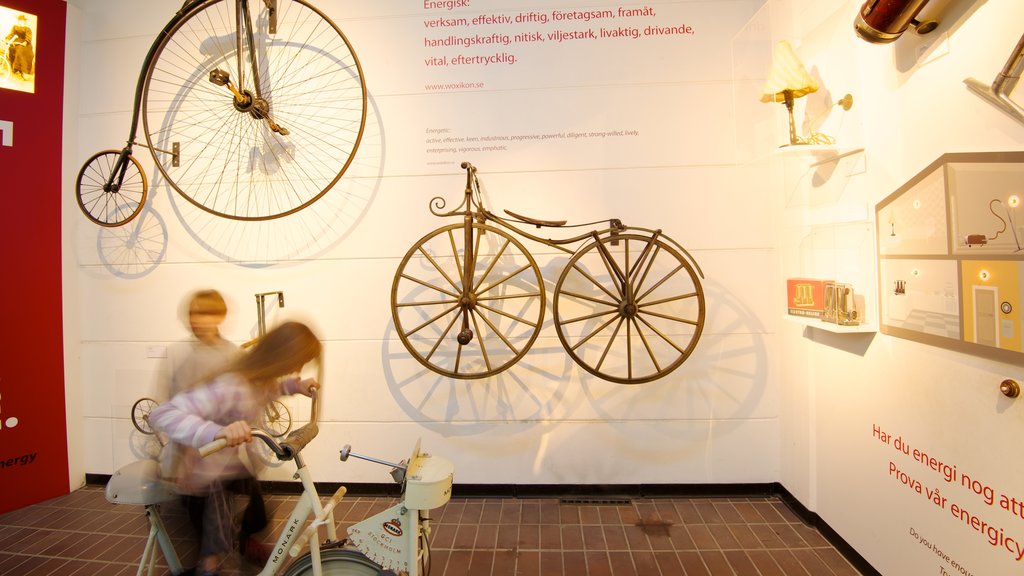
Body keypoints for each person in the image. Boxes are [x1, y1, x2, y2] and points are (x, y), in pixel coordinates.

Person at [150, 321, 321, 576]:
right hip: (203, 474)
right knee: (212, 547)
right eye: (299, 361)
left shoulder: (257, 381)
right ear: (281, 355)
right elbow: (162, 414)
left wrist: (294, 386)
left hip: (225, 464)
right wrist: (215, 431)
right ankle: (209, 566)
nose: (298, 368)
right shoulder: (230, 385)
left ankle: (241, 543)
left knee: (257, 512)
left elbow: (267, 391)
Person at [5, 14, 34, 79]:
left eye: (21, 20)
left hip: (25, 43)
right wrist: (7, 39)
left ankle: (23, 71)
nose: (20, 22)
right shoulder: (15, 27)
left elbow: (28, 37)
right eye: (19, 20)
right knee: (11, 49)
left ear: (24, 21)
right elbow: (11, 34)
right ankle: (13, 69)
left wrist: (25, 42)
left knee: (20, 52)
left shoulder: (27, 28)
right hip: (17, 42)